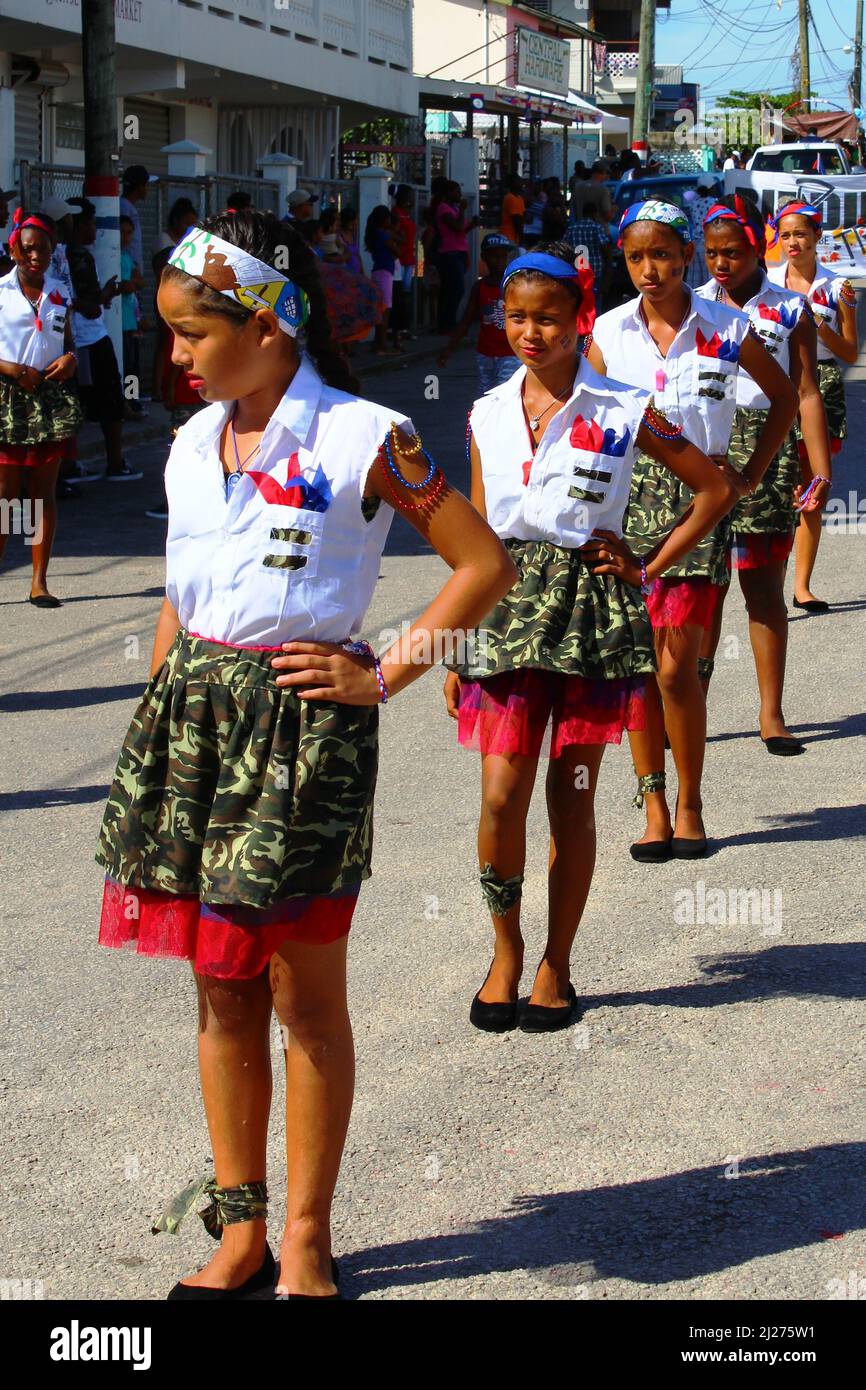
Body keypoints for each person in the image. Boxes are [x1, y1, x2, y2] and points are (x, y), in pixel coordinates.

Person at [95, 209, 515, 1299]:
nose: (172, 356)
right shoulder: (193, 444)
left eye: (190, 333)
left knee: (300, 992)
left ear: (269, 324)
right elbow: (181, 598)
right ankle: (237, 1231)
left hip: (300, 730)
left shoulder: (367, 437)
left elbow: (480, 566)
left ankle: (306, 1238)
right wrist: (158, 715)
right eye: (170, 334)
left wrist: (381, 671)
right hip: (193, 726)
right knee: (219, 989)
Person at [443, 243, 734, 1032]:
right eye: (515, 317)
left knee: (570, 799)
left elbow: (713, 487)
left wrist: (647, 562)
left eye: (546, 318)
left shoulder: (624, 407)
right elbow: (472, 532)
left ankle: (556, 964)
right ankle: (504, 950)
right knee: (501, 797)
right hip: (505, 610)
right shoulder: (485, 414)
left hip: (591, 613)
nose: (529, 333)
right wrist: (454, 640)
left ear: (579, 319)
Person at [588, 200, 797, 860]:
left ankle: (691, 803)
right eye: (635, 258)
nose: (650, 270)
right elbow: (585, 420)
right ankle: (651, 804)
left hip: (699, 507)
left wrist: (749, 476)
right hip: (623, 506)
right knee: (636, 667)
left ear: (685, 255)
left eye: (662, 255)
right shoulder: (608, 331)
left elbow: (785, 398)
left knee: (677, 670)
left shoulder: (726, 325)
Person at [696, 195, 832, 754]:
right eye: (710, 253)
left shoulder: (790, 309)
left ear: (759, 247)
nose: (721, 264)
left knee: (763, 591)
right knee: (700, 594)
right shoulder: (691, 307)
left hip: (768, 453)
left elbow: (805, 393)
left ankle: (771, 713)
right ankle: (689, 708)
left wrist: (818, 468)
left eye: (732, 252)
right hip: (703, 452)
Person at [767, 201, 859, 612]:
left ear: (817, 237)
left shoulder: (837, 286)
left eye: (800, 234)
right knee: (775, 485)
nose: (792, 242)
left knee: (812, 486)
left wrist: (816, 322)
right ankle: (768, 581)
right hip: (773, 384)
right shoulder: (764, 280)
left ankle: (802, 586)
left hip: (819, 382)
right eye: (785, 235)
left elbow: (850, 352)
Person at [0, 210, 82, 605]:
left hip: (48, 398)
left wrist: (71, 359)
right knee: (5, 495)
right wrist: (10, 369)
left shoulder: (60, 292)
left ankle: (38, 581)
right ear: (15, 248)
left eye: (43, 250)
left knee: (41, 494)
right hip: (8, 397)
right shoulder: (0, 291)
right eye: (29, 249)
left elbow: (69, 341)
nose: (36, 256)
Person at [66, 197, 141, 482]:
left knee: (83, 402)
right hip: (89, 337)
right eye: (91, 223)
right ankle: (115, 462)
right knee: (110, 399)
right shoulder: (78, 256)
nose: (95, 229)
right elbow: (91, 303)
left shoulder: (64, 254)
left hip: (78, 338)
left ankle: (71, 466)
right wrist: (109, 292)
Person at [437, 232, 518, 391]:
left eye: (503, 256)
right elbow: (466, 320)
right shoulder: (480, 287)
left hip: (510, 353)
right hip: (486, 353)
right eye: (495, 256)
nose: (500, 261)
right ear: (484, 257)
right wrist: (449, 349)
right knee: (486, 395)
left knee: (506, 394)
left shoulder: (514, 285)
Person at [436, 181, 478, 332]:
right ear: (448, 193)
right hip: (449, 252)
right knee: (454, 288)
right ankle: (446, 322)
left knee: (455, 288)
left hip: (459, 251)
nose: (459, 194)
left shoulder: (453, 208)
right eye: (456, 191)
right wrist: (462, 211)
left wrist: (472, 224)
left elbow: (461, 230)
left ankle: (449, 321)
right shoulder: (444, 209)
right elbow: (457, 226)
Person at [364, 204, 401, 354]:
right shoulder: (382, 234)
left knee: (381, 309)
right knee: (385, 310)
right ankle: (382, 345)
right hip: (385, 272)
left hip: (379, 270)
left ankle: (378, 343)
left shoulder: (375, 234)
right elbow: (396, 250)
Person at [119, 214, 145, 416]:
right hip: (119, 322)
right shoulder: (111, 257)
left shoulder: (127, 257)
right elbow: (128, 285)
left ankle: (132, 399)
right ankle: (125, 402)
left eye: (129, 233)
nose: (126, 237)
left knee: (133, 366)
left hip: (131, 320)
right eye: (122, 232)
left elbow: (138, 282)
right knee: (125, 365)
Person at [565, 199, 611, 311]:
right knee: (595, 298)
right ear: (594, 213)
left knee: (581, 298)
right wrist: (608, 265)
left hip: (578, 269)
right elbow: (605, 247)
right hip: (595, 270)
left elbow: (565, 247)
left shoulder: (572, 228)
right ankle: (597, 322)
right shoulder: (596, 227)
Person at [119, 164, 154, 281]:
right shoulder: (124, 207)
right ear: (140, 187)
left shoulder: (127, 206)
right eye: (146, 185)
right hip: (127, 271)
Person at [391, 185, 417, 339]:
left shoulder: (407, 214)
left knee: (406, 293)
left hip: (409, 259)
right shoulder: (396, 214)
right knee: (399, 294)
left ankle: (403, 327)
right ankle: (397, 328)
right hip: (400, 259)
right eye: (410, 196)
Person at [499, 175, 525, 246]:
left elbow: (522, 217)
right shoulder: (510, 198)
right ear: (512, 183)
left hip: (515, 237)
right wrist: (521, 239)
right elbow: (516, 219)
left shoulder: (520, 198)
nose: (521, 183)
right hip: (508, 236)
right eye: (519, 181)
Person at [336, 207, 362, 275]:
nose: (357, 221)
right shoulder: (338, 235)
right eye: (356, 219)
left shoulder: (352, 234)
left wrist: (362, 273)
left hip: (356, 274)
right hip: (345, 274)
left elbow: (358, 255)